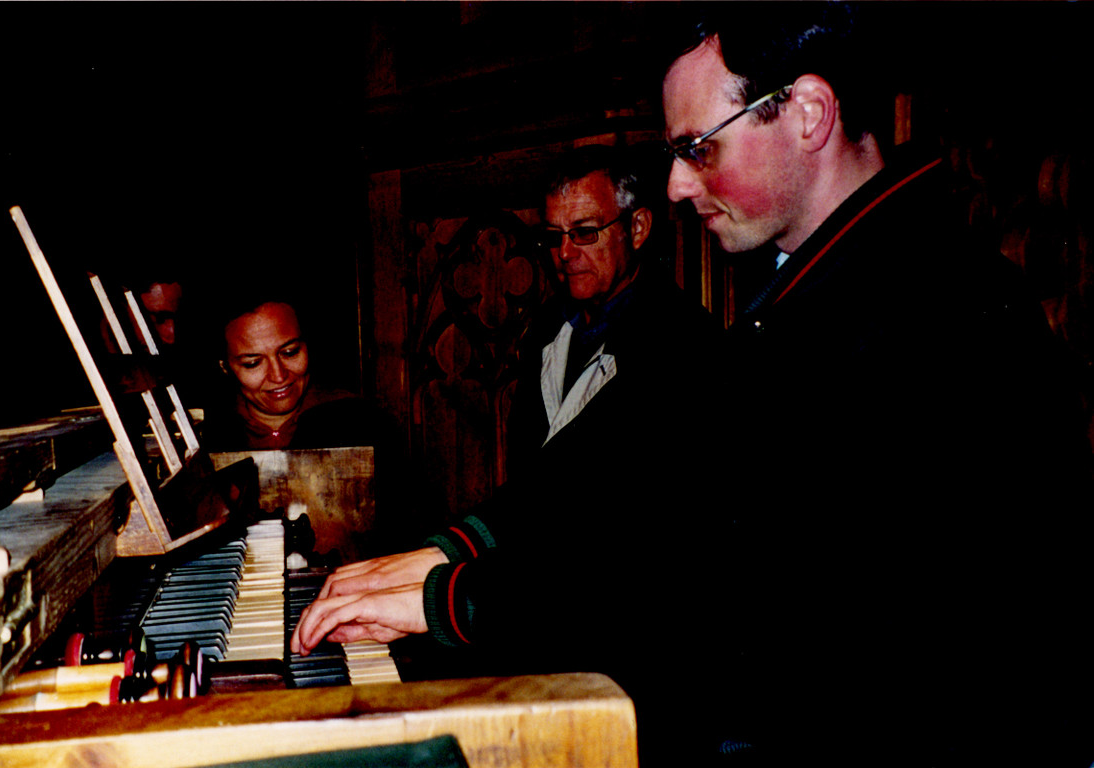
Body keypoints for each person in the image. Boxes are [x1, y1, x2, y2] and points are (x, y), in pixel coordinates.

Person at [659, 4, 1091, 764]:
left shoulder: (943, 313)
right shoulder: (820, 294)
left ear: (808, 114)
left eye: (697, 149)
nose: (675, 185)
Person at [291, 145, 721, 754]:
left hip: (634, 667)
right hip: (532, 617)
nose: (565, 254)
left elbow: (607, 537)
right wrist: (429, 558)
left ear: (639, 226)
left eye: (585, 232)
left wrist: (441, 594)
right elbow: (539, 489)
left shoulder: (683, 348)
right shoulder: (550, 328)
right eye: (553, 237)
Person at [205, 289, 443, 557]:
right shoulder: (207, 437)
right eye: (253, 363)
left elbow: (413, 533)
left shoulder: (364, 422)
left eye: (290, 352)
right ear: (225, 366)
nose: (279, 374)